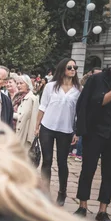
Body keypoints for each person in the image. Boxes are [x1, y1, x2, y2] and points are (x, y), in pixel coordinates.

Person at [74, 51, 111, 221]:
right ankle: (82, 206)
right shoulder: (98, 80)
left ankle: (103, 210)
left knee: (109, 174)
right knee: (88, 170)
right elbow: (98, 101)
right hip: (94, 133)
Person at [34, 58, 81, 206]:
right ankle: (45, 192)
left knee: (62, 162)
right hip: (47, 127)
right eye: (69, 67)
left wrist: (77, 132)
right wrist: (37, 126)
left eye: (75, 67)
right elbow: (42, 107)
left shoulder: (78, 90)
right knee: (47, 160)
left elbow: (78, 113)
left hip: (66, 130)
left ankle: (62, 192)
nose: (73, 69)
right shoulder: (50, 86)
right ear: (62, 69)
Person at [14, 74, 39, 147]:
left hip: (23, 134)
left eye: (21, 83)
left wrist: (31, 138)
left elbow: (34, 119)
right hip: (13, 131)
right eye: (17, 83)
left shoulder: (33, 99)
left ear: (28, 84)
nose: (18, 85)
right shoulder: (17, 97)